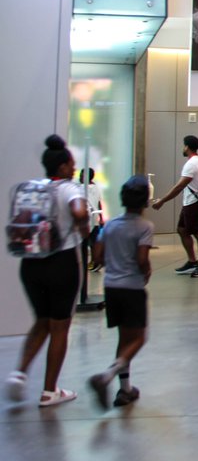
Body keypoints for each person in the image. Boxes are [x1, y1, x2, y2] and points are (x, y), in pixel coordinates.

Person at [6, 136, 90, 407]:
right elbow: (78, 212)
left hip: (31, 262)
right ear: (63, 166)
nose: (74, 169)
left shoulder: (34, 187)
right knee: (60, 326)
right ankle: (49, 390)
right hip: (61, 263)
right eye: (72, 164)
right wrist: (83, 225)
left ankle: (20, 372)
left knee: (41, 320)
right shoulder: (69, 189)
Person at [87, 175, 154, 409]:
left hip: (111, 287)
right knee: (138, 338)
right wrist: (146, 271)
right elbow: (142, 258)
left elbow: (97, 257)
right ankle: (107, 376)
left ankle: (125, 389)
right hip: (132, 288)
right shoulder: (145, 227)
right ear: (145, 202)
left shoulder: (111, 225)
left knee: (123, 338)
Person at [153, 134, 198, 277]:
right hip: (190, 202)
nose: (183, 148)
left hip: (194, 203)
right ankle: (192, 261)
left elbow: (179, 187)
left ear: (187, 147)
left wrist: (162, 201)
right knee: (182, 229)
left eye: (184, 145)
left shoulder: (192, 164)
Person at [77, 167, 104, 309]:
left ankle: (94, 261)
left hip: (88, 219)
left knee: (89, 242)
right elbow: (99, 202)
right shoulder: (95, 187)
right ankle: (94, 261)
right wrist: (101, 216)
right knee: (93, 242)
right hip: (93, 218)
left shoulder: (81, 187)